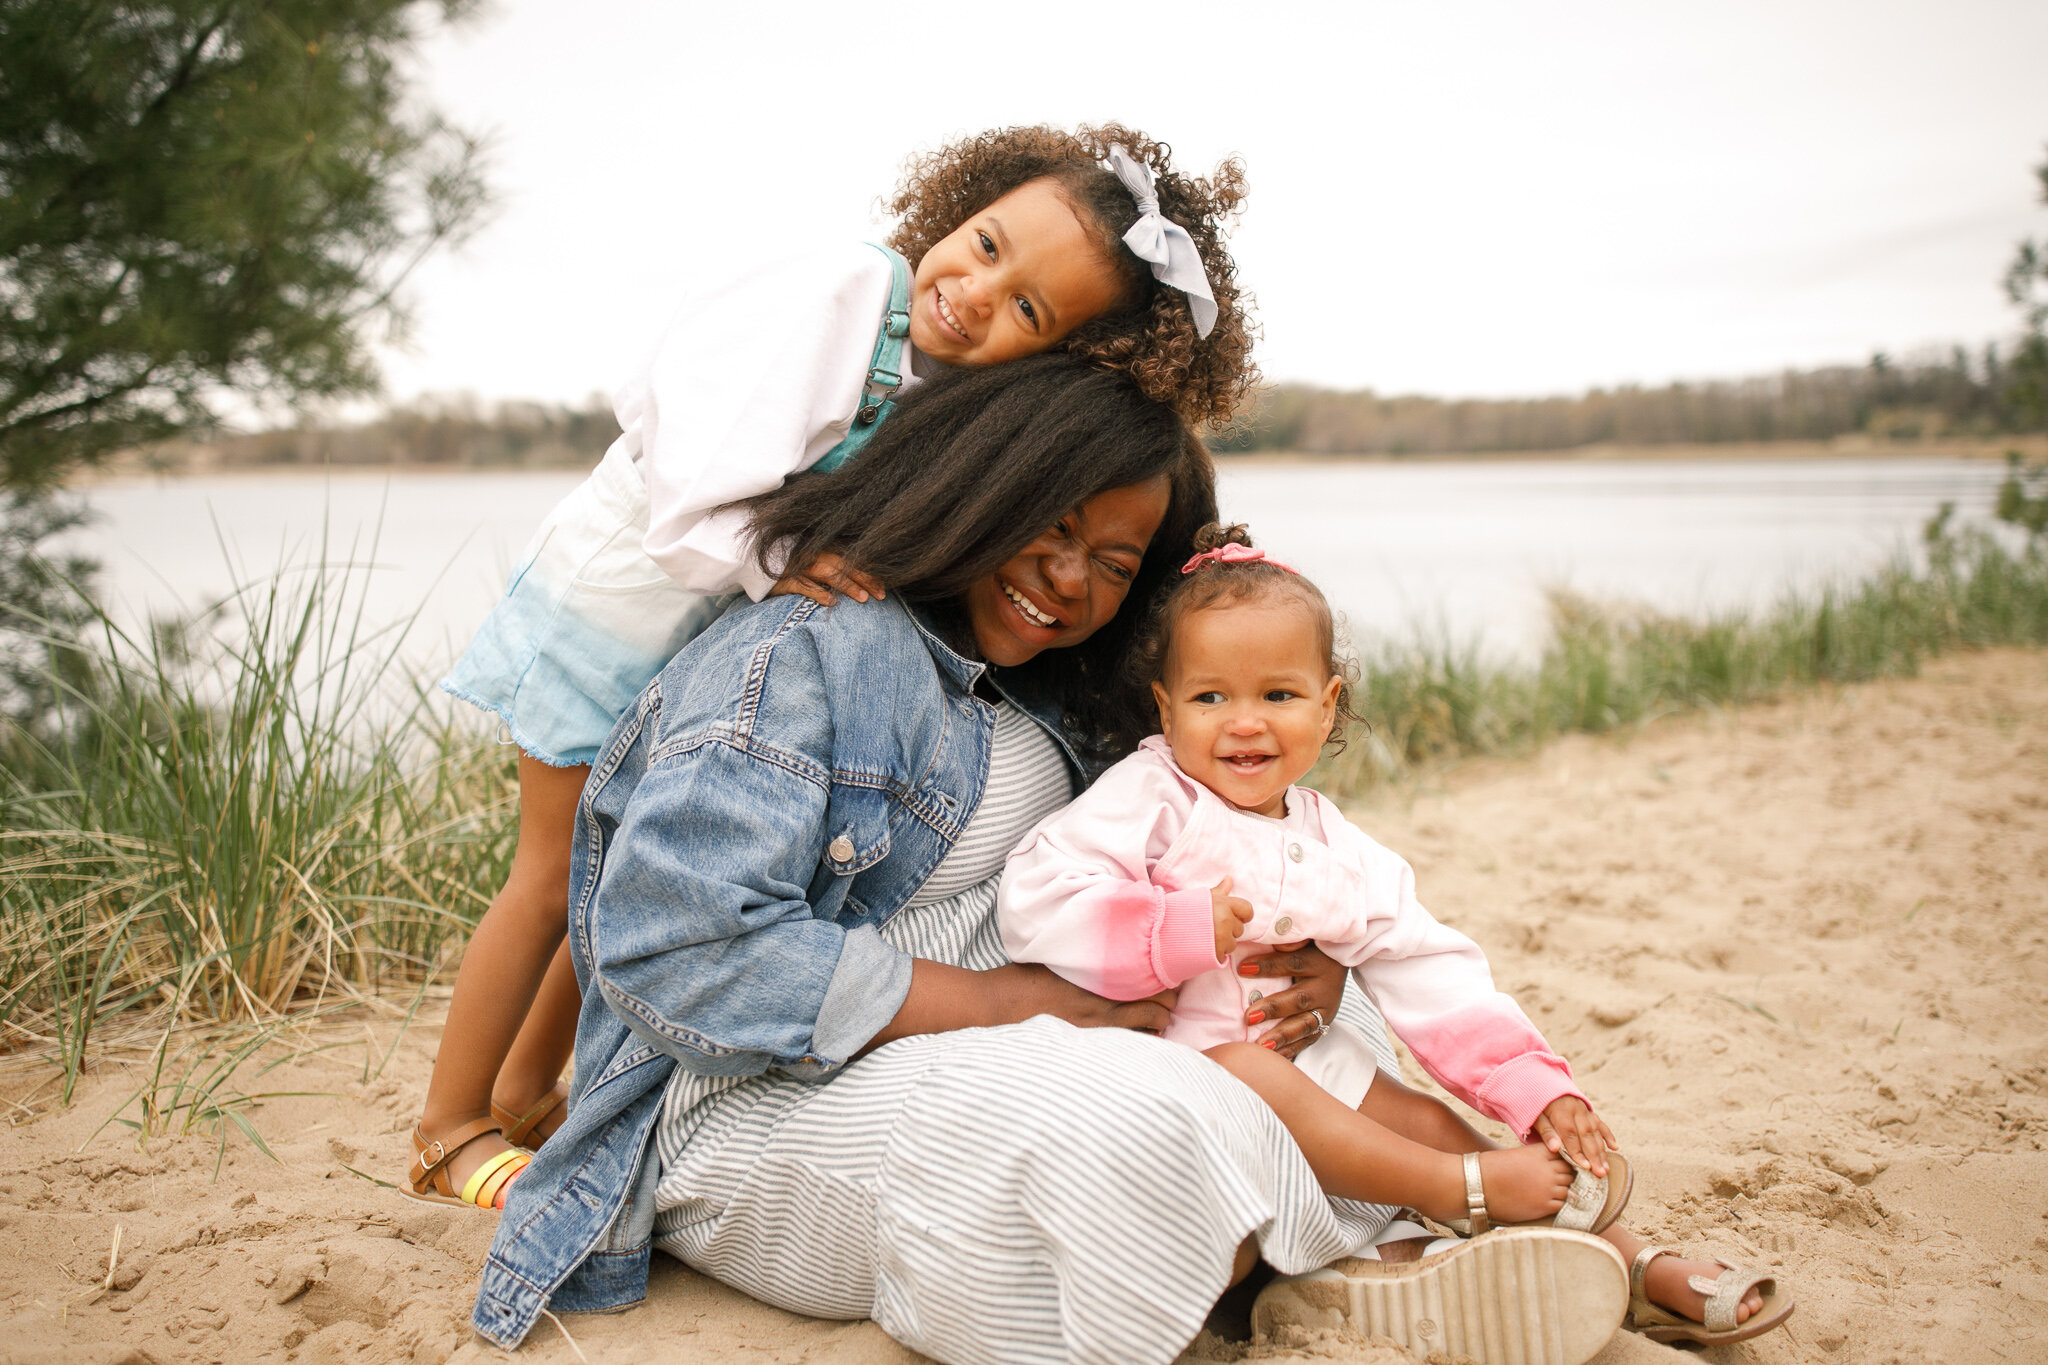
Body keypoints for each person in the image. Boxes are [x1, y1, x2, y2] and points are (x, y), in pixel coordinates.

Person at [468, 356, 1574, 1365]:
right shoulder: (806, 650)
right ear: (978, 484)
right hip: (767, 1091)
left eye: (1111, 560)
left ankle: (1377, 1254)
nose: (1065, 579)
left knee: (1323, 1019)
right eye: (1045, 526)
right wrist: (1005, 1004)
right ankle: (1310, 1248)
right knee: (1140, 1121)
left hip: (1042, 1028)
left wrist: (1312, 965)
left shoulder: (1061, 675)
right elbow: (678, 950)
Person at [408, 123, 1261, 1207]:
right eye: (988, 244)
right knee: (544, 874)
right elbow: (691, 482)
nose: (976, 293)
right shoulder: (845, 292)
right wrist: (785, 568)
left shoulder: (936, 374)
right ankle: (446, 1124)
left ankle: (535, 1093)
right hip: (623, 594)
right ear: (965, 201)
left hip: (698, 610)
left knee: (618, 866)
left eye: (1029, 310)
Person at [998, 523, 1797, 1354]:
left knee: (1415, 1109)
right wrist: (1168, 928)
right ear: (1166, 706)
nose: (1244, 724)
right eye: (1210, 698)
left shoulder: (1334, 842)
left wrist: (1534, 1087)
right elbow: (1038, 892)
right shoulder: (1153, 796)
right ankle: (1466, 1193)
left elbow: (1428, 964)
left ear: (1328, 703)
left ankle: (1616, 1260)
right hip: (1177, 1084)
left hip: (1302, 1078)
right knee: (1250, 1073)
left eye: (1278, 695)